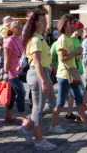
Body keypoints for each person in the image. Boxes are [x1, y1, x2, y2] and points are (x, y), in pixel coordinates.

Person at [50, 14, 87, 133]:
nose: (73, 26)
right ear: (63, 25)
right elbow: (62, 58)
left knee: (79, 98)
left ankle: (85, 123)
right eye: (70, 23)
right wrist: (76, 52)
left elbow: (71, 57)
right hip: (65, 75)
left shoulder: (69, 38)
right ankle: (53, 126)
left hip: (73, 74)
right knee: (60, 101)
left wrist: (77, 55)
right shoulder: (62, 39)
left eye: (73, 23)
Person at [22, 9, 57, 150]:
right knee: (38, 107)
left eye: (45, 20)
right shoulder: (35, 39)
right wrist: (43, 81)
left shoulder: (40, 37)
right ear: (35, 22)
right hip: (38, 74)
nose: (45, 22)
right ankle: (38, 140)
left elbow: (43, 58)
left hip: (43, 72)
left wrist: (49, 66)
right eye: (42, 20)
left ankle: (29, 126)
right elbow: (36, 62)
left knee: (51, 103)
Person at [3, 21, 29, 124]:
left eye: (20, 27)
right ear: (12, 29)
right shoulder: (9, 41)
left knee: (12, 94)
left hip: (20, 71)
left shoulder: (21, 40)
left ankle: (8, 116)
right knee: (21, 92)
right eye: (17, 28)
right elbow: (6, 59)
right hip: (12, 73)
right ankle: (23, 118)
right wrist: (5, 73)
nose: (19, 29)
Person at [65, 21, 87, 121]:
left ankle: (69, 114)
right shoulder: (71, 40)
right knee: (81, 92)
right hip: (73, 70)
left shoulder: (78, 40)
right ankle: (80, 115)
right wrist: (78, 54)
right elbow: (70, 55)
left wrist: (80, 55)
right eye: (81, 29)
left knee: (72, 94)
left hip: (77, 68)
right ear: (76, 29)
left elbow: (78, 55)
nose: (82, 31)